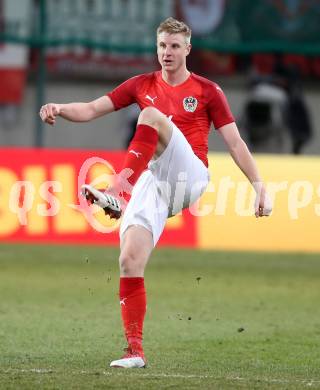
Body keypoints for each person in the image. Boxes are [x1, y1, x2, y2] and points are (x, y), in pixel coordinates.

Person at [39, 17, 272, 369]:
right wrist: (59, 109)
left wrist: (260, 187)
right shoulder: (140, 83)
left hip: (190, 174)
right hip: (156, 179)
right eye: (162, 45)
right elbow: (91, 108)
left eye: (175, 46)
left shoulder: (208, 91)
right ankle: (135, 352)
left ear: (188, 49)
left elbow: (236, 143)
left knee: (151, 115)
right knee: (129, 259)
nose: (167, 52)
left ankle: (118, 189)